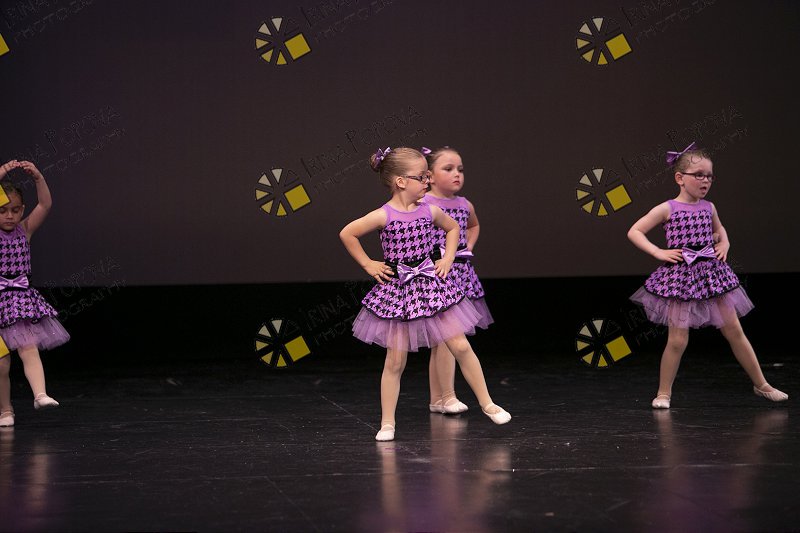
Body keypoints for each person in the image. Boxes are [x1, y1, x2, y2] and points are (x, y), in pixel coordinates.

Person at [339, 147, 510, 441]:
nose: (427, 182)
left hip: (432, 286)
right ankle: (387, 422)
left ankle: (488, 403)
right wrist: (368, 264)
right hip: (400, 291)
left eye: (428, 176)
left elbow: (453, 229)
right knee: (395, 361)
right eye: (421, 177)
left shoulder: (429, 210)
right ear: (401, 181)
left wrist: (447, 258)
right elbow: (348, 233)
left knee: (460, 345)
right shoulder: (383, 215)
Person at [627, 143, 788, 408]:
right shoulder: (667, 208)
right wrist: (657, 251)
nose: (705, 181)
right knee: (678, 339)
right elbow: (635, 230)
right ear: (680, 178)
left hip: (712, 276)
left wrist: (725, 243)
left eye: (710, 176)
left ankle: (762, 385)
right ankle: (664, 393)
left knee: (734, 330)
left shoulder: (709, 207)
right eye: (699, 175)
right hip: (682, 279)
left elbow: (720, 229)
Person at [421, 146, 493, 415]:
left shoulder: (464, 204)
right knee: (444, 339)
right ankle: (446, 397)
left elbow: (473, 225)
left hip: (460, 275)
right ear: (429, 176)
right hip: (439, 276)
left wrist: (467, 246)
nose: (457, 174)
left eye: (460, 169)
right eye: (448, 169)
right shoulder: (425, 204)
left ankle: (439, 399)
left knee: (445, 340)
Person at [0, 160, 70, 428]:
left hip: (18, 301)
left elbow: (45, 205)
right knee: (1, 364)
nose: (9, 216)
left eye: (15, 210)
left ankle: (40, 394)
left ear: (22, 210)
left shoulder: (24, 230)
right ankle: (5, 410)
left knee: (28, 348)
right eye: (3, 210)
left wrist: (38, 178)